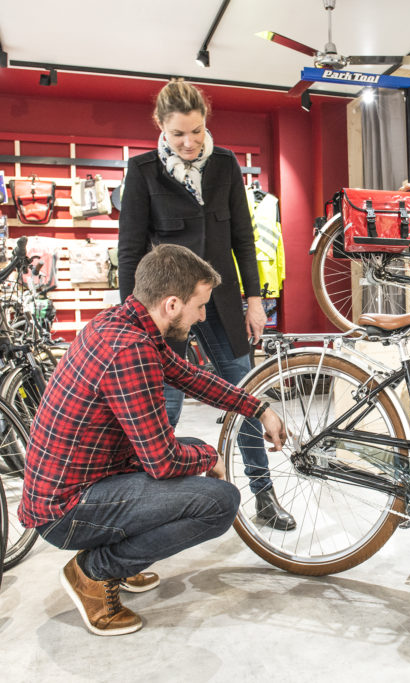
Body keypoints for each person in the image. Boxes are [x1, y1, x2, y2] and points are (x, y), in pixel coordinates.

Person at [18, 244, 286, 636]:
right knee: (220, 502)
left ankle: (117, 562)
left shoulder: (121, 324)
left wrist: (257, 407)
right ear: (173, 304)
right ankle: (93, 573)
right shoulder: (131, 350)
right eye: (200, 305)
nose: (203, 316)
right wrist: (208, 456)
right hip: (66, 512)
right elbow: (161, 462)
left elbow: (189, 376)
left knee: (190, 449)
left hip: (76, 487)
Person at [117, 79, 295, 531]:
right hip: (168, 313)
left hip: (222, 305)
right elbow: (130, 252)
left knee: (245, 396)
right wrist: (131, 320)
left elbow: (243, 237)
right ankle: (154, 509)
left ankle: (264, 495)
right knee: (164, 409)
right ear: (160, 127)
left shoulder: (224, 165)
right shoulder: (142, 173)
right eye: (178, 134)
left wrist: (255, 301)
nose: (190, 142)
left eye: (196, 131)